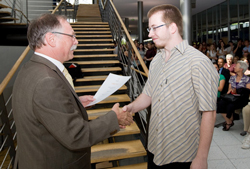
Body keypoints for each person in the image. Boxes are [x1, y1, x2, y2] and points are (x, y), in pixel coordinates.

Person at [12, 14, 133, 169]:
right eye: (72, 36)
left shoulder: (31, 68)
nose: (76, 41)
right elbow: (77, 136)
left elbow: (44, 110)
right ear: (51, 39)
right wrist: (113, 118)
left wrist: (74, 101)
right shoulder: (47, 81)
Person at [122, 4, 219, 169]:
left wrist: (201, 158)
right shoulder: (157, 61)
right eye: (149, 29)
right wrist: (130, 108)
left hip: (182, 153)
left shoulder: (198, 62)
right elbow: (148, 94)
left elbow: (209, 113)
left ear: (172, 27)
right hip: (154, 146)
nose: (150, 34)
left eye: (154, 28)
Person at [217, 61, 250, 131]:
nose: (234, 67)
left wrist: (238, 91)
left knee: (230, 106)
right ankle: (229, 121)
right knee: (220, 103)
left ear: (241, 69)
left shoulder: (247, 79)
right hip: (232, 97)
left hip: (242, 98)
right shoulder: (232, 77)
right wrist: (230, 90)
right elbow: (229, 89)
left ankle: (229, 122)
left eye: (236, 66)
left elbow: (248, 91)